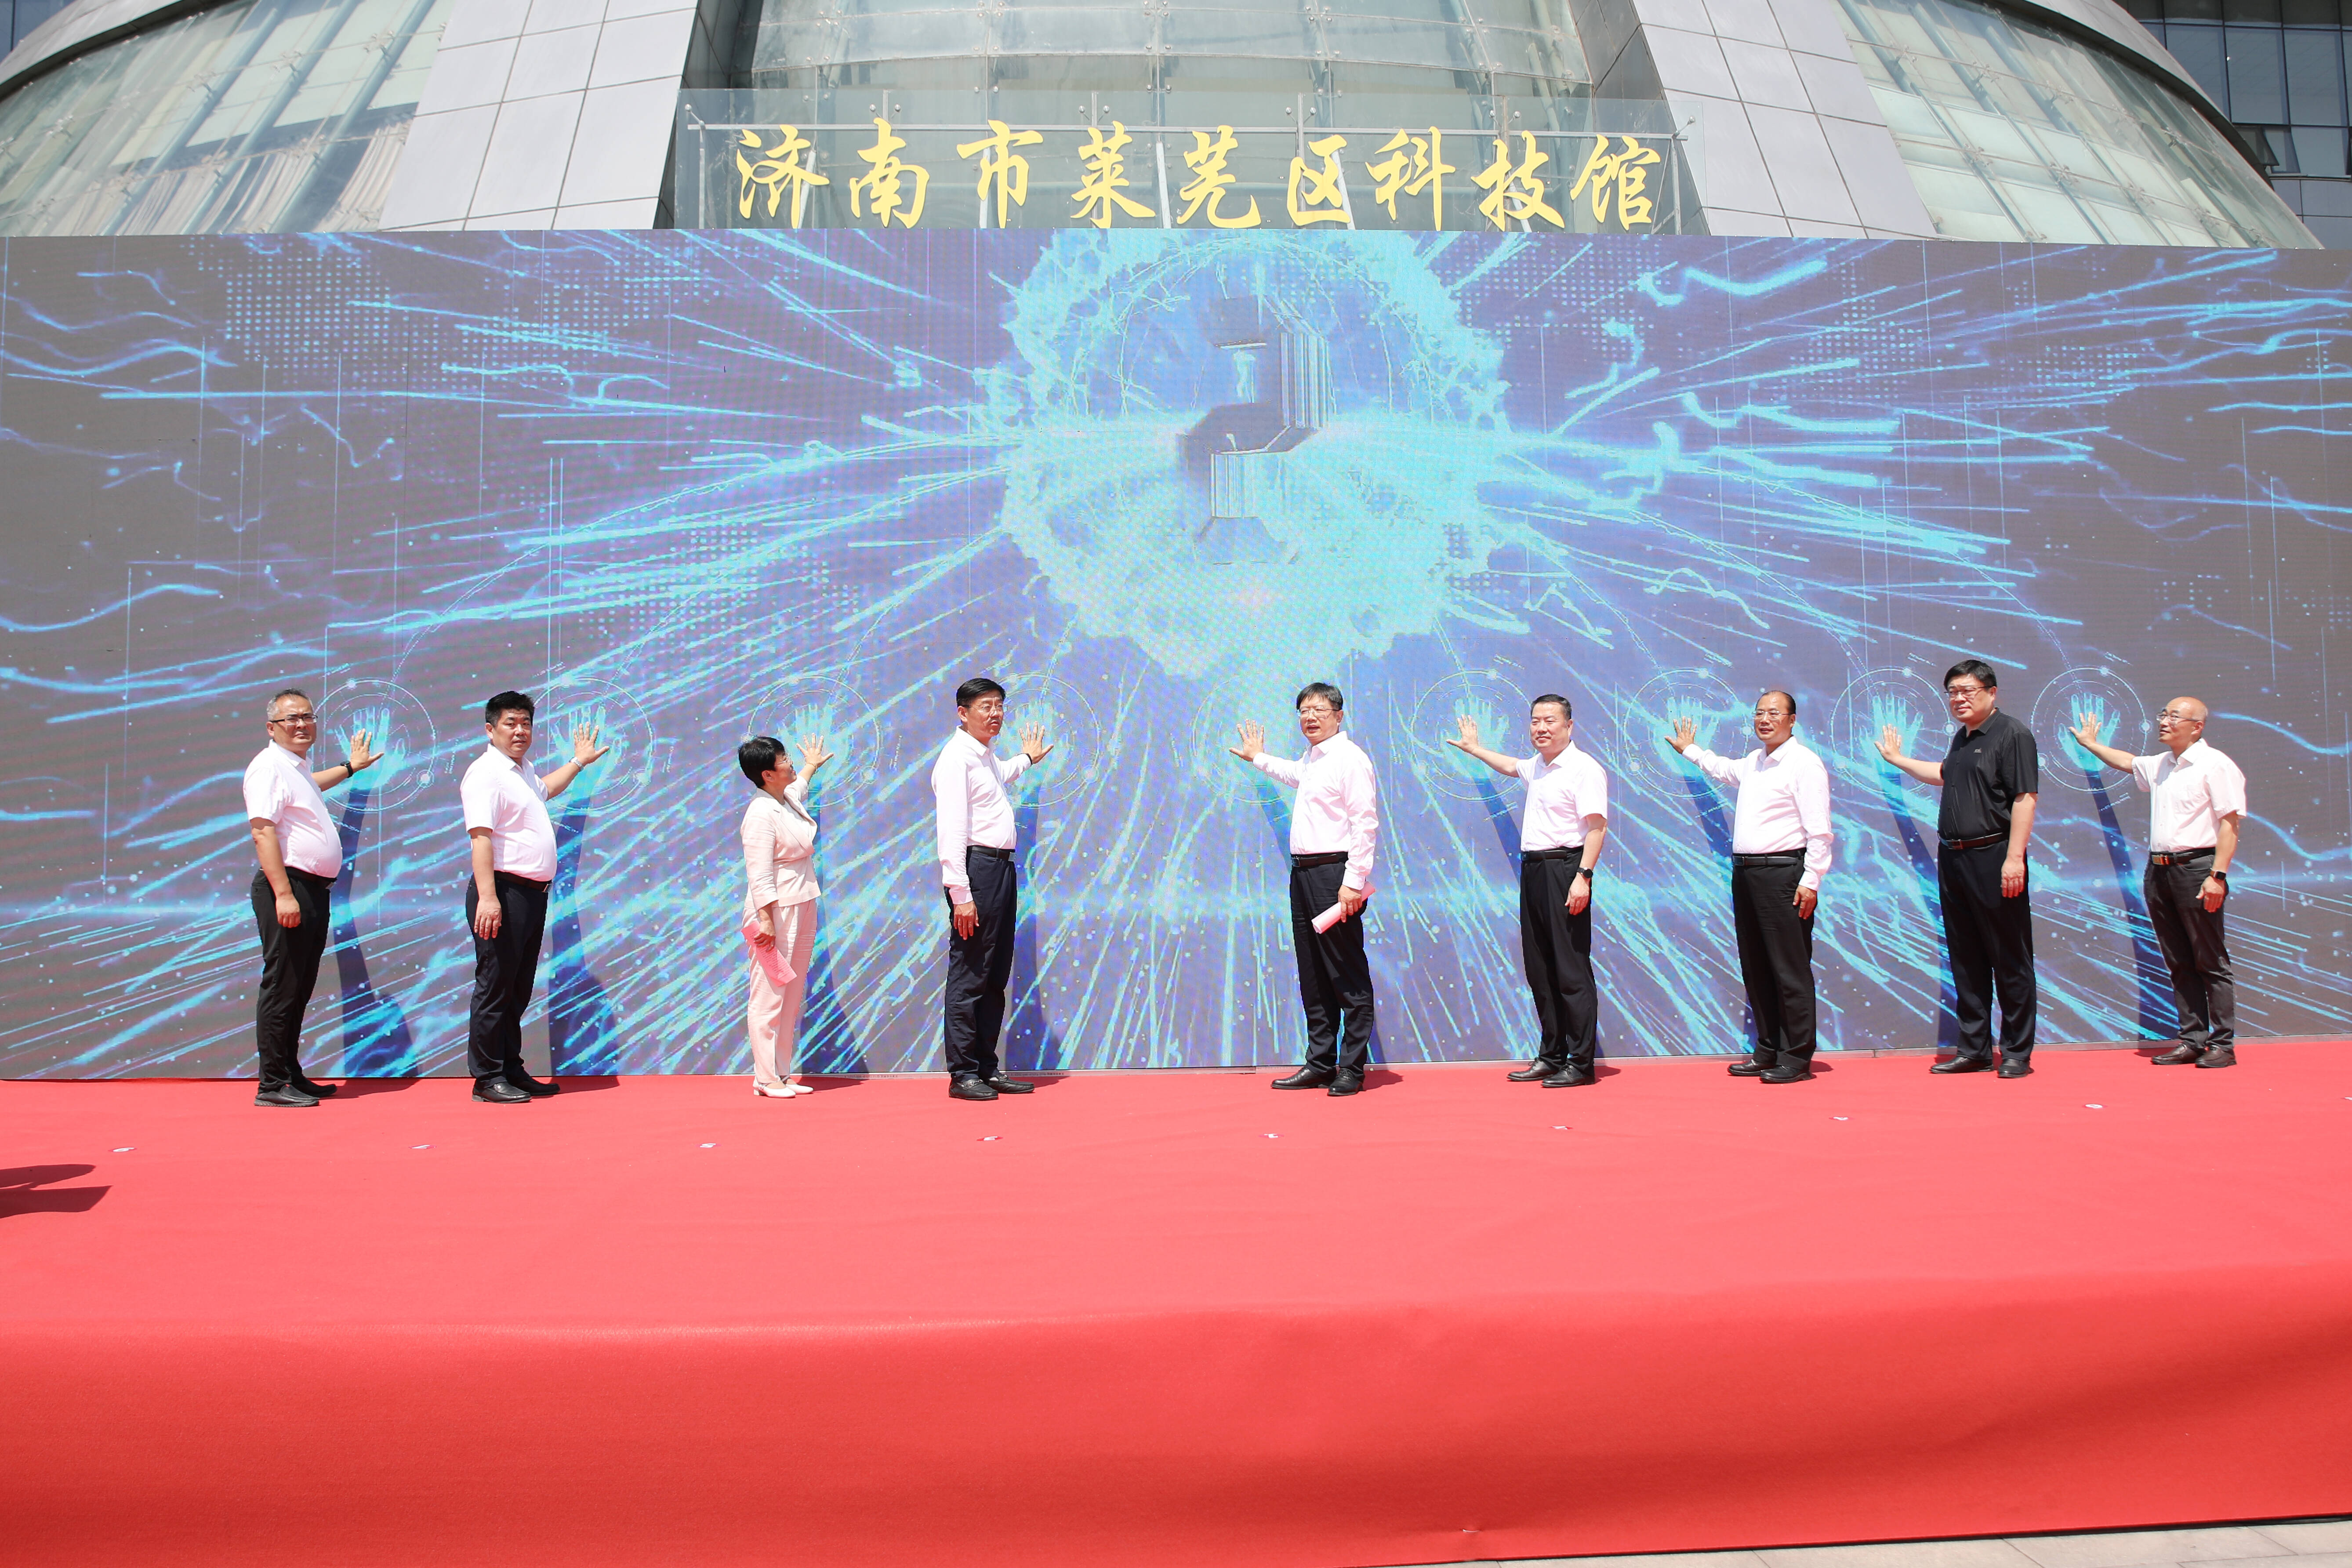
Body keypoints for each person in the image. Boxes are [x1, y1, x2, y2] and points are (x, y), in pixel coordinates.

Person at [1877, 660, 2040, 1077]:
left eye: (1967, 691)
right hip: (1954, 858)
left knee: (2009, 957)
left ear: (1992, 692)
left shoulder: (2013, 734)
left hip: (1994, 856)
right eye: (1952, 692)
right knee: (1966, 958)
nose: (1958, 699)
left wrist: (2015, 858)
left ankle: (2017, 1053)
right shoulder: (1963, 739)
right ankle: (1974, 1050)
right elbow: (1943, 775)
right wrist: (1898, 759)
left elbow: (2024, 798)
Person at [2069, 699, 2246, 1068]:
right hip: (2159, 871)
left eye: (2173, 716)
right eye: (2163, 715)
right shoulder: (2163, 764)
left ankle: (2223, 1045)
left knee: (2210, 959)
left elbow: (2230, 824)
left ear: (2197, 726)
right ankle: (2192, 1039)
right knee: (2179, 960)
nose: (2164, 721)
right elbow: (2127, 762)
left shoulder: (2216, 765)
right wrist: (2091, 744)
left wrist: (2218, 876)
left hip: (2198, 870)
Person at [1671, 691, 1833, 1083]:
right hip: (1746, 875)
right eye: (1760, 713)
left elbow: (1820, 831)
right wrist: (1690, 749)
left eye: (1774, 713)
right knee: (1757, 966)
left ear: (1792, 720)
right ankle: (1768, 1049)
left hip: (1783, 875)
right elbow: (1722, 769)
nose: (1765, 719)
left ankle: (1796, 1057)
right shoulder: (1755, 762)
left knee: (1788, 967)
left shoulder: (1804, 763)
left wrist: (1811, 880)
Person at [1448, 695, 1609, 1087]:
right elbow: (1510, 766)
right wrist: (1475, 749)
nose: (1541, 728)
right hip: (1535, 870)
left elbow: (1597, 827)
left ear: (1569, 726)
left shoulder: (1584, 768)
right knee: (1540, 968)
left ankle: (1580, 1063)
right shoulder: (1537, 766)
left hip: (1566, 869)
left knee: (1570, 969)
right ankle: (1552, 1055)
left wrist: (1584, 876)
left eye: (1550, 721)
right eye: (1536, 721)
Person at [1232, 682, 1380, 1096]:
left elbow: (1365, 823)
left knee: (1346, 972)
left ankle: (1352, 1068)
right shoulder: (1313, 759)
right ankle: (1320, 1063)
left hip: (1335, 877)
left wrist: (1353, 882)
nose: (1310, 717)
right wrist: (1257, 757)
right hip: (1303, 875)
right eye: (1303, 711)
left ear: (1339, 716)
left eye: (1319, 710)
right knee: (1313, 974)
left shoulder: (1350, 760)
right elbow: (1294, 775)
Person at [461, 691, 607, 1104]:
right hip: (502, 893)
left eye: (526, 723)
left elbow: (547, 789)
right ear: (490, 729)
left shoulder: (521, 772)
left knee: (517, 988)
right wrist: (488, 897)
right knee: (495, 987)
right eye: (511, 723)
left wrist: (579, 761)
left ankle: (510, 1067)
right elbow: (480, 838)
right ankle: (487, 1077)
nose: (520, 731)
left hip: (530, 896)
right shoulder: (485, 774)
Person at [243, 688, 380, 1107]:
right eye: (291, 719)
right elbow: (263, 831)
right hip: (289, 887)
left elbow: (310, 786)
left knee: (299, 987)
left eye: (307, 717)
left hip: (312, 890)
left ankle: (290, 1073)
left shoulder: (295, 769)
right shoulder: (268, 767)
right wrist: (284, 894)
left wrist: (350, 768)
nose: (302, 725)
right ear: (272, 728)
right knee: (283, 985)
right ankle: (272, 1084)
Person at [931, 677, 1053, 1102]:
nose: (996, 713)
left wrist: (1027, 759)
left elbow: (1003, 773)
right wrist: (961, 895)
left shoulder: (984, 757)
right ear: (963, 713)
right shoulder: (956, 759)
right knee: (971, 973)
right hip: (976, 871)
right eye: (986, 706)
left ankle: (986, 1067)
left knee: (995, 972)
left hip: (1000, 869)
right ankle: (963, 1073)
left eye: (999, 705)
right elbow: (951, 832)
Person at [739, 733, 833, 1098]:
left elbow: (800, 787)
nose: (790, 763)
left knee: (792, 992)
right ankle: (765, 1078)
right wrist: (765, 921)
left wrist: (811, 765)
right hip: (774, 912)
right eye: (784, 760)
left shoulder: (785, 798)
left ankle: (781, 1071)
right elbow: (759, 873)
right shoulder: (760, 813)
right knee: (769, 993)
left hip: (803, 901)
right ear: (767, 774)